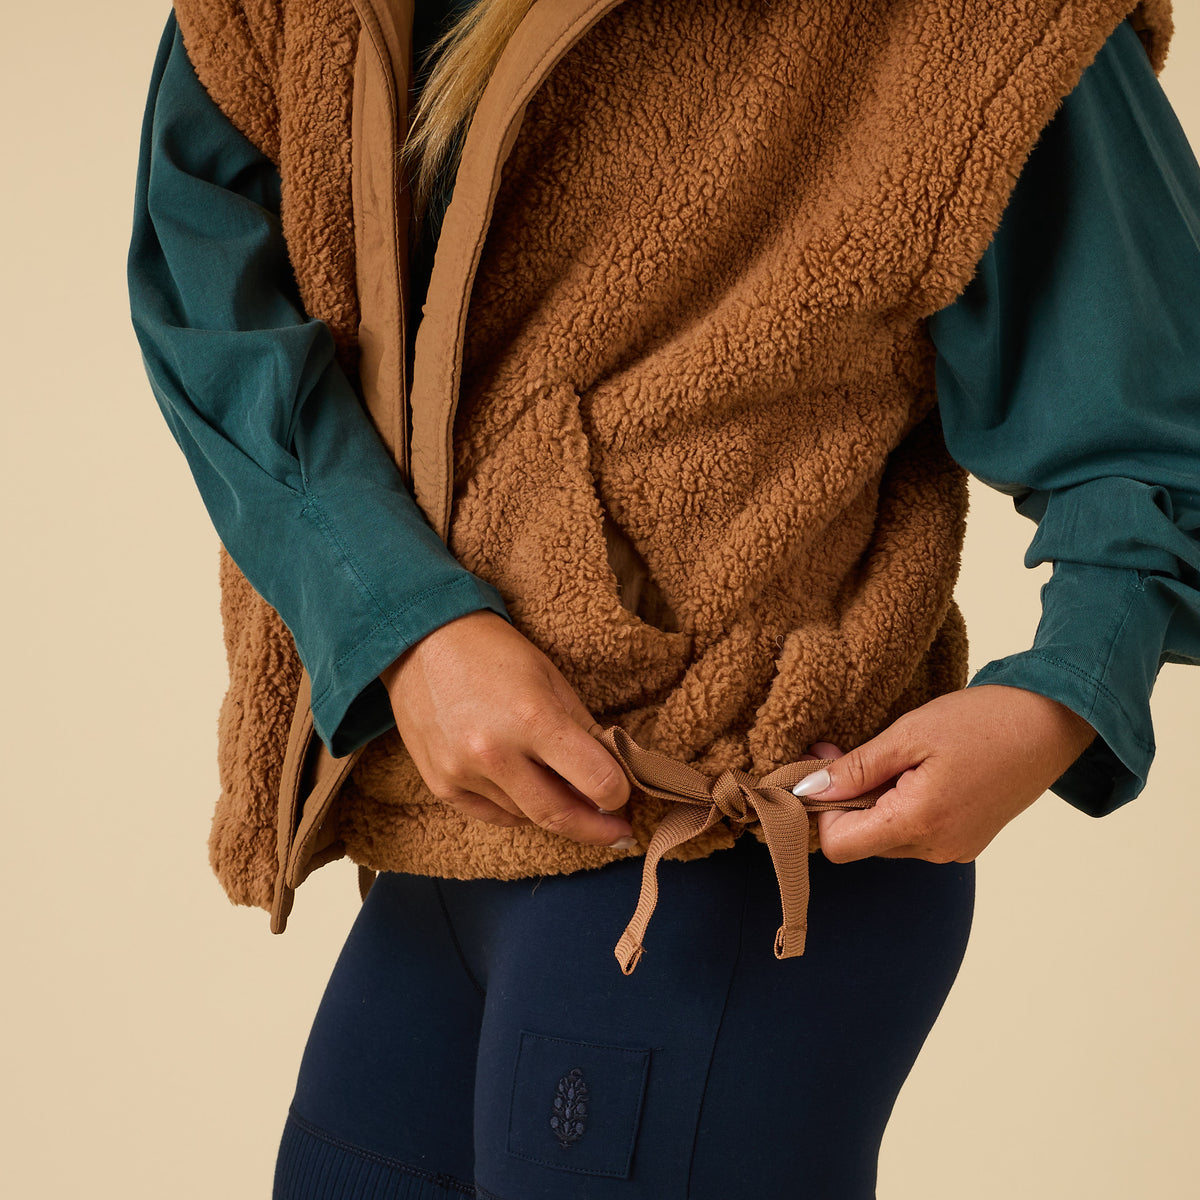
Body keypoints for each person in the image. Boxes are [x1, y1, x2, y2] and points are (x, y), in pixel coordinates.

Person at [128, 2, 1197, 1196]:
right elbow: (213, 286)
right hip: (446, 839)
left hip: (728, 850)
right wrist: (402, 622)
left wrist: (1059, 697)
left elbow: (1154, 405)